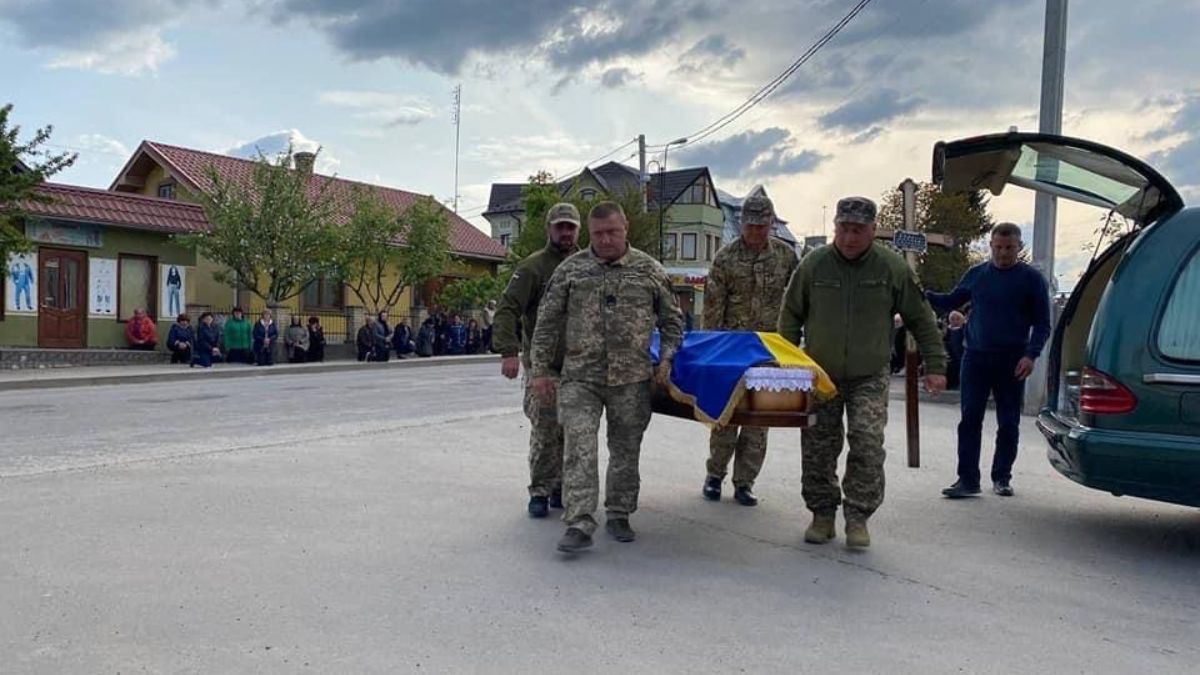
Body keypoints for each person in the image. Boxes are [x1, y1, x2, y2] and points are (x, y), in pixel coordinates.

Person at [779, 196, 946, 549]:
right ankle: (822, 515)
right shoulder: (814, 264)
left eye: (858, 230)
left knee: (868, 444)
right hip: (819, 374)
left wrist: (935, 365)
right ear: (835, 227)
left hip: (869, 374)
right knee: (818, 447)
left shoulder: (892, 268)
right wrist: (788, 362)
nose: (849, 238)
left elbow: (921, 318)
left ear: (872, 231)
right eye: (843, 229)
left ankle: (858, 517)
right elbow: (791, 313)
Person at [531, 201, 684, 553]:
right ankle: (579, 522)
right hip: (580, 377)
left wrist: (667, 361)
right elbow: (547, 323)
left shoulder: (649, 270)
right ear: (590, 234)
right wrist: (540, 371)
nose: (606, 240)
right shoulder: (572, 269)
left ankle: (619, 512)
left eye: (612, 232)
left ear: (625, 227)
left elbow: (673, 322)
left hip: (631, 378)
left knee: (626, 450)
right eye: (598, 234)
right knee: (579, 447)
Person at [927, 223, 1052, 499]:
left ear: (1018, 247)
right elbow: (950, 301)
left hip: (1012, 361)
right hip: (976, 358)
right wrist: (921, 294)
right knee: (970, 419)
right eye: (997, 247)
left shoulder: (1031, 279)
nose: (1003, 253)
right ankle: (967, 479)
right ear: (990, 246)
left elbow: (1043, 324)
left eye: (1009, 248)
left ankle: (1002, 477)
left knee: (1008, 422)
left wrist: (1031, 355)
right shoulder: (977, 275)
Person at [701, 195, 799, 507]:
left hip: (770, 351)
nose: (755, 232)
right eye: (750, 225)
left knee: (758, 422)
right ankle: (714, 475)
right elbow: (713, 309)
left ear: (772, 224)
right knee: (726, 417)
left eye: (762, 226)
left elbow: (796, 303)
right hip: (731, 351)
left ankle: (745, 482)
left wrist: (793, 348)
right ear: (742, 224)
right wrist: (711, 353)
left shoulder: (786, 257)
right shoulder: (726, 258)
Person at [493, 202, 581, 518]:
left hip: (580, 367)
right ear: (549, 229)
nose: (566, 232)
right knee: (545, 428)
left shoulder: (589, 265)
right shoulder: (533, 268)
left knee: (573, 430)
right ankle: (540, 490)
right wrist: (508, 351)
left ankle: (561, 488)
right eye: (560, 226)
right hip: (543, 365)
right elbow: (506, 309)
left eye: (571, 226)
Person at [944, 310, 967, 391]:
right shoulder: (947, 330)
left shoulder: (965, 329)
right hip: (952, 355)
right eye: (953, 319)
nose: (955, 321)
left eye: (957, 319)